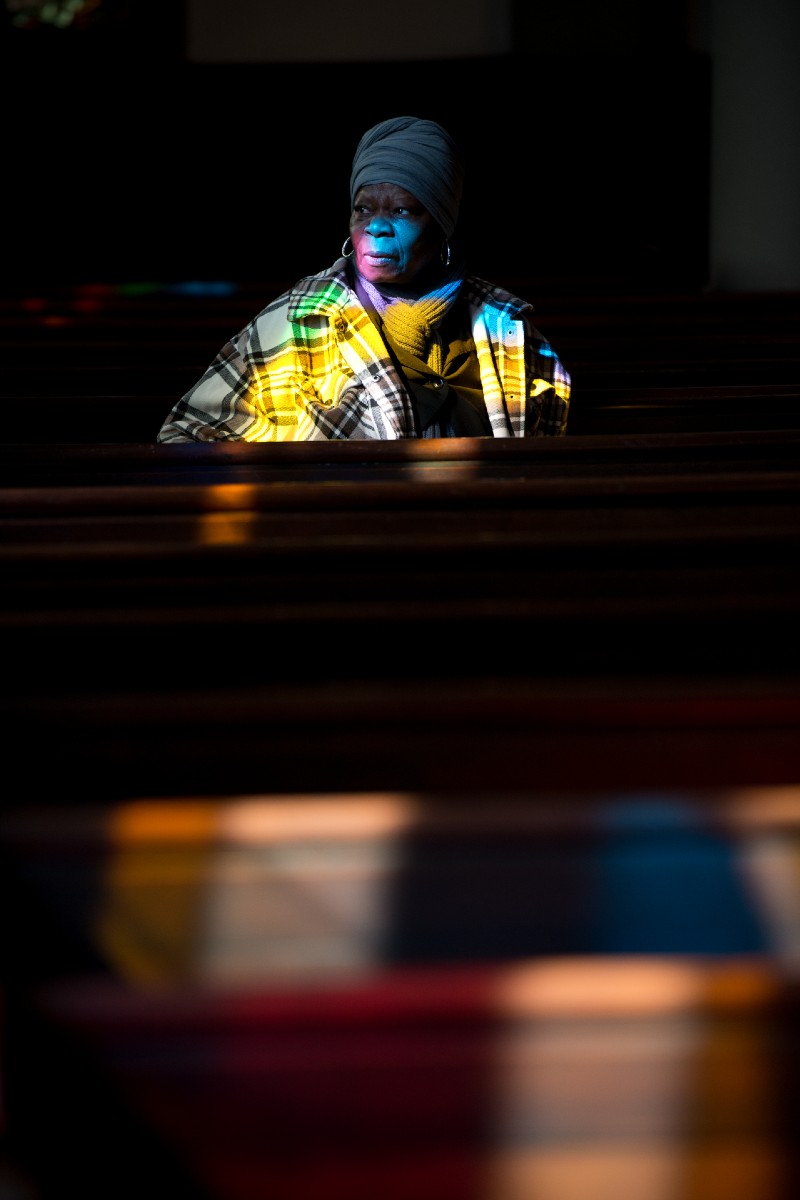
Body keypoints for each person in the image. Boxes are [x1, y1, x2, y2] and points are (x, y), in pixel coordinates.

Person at [157, 115, 571, 442]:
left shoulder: (507, 328)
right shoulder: (298, 320)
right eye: (363, 210)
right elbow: (186, 436)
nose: (376, 228)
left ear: (442, 224)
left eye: (402, 211)